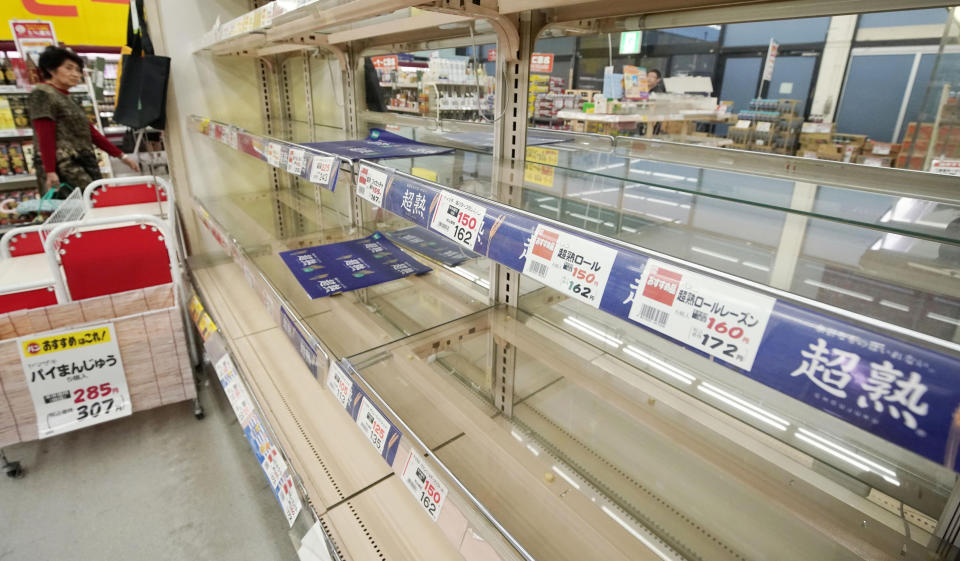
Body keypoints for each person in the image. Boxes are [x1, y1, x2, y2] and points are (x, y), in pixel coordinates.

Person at [27, 46, 139, 195]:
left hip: (83, 161)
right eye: (69, 68)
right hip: (64, 166)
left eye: (78, 70)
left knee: (94, 201)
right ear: (51, 69)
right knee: (81, 206)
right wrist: (50, 171)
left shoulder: (65, 97)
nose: (75, 74)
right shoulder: (42, 94)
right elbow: (44, 134)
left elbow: (90, 132)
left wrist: (122, 156)